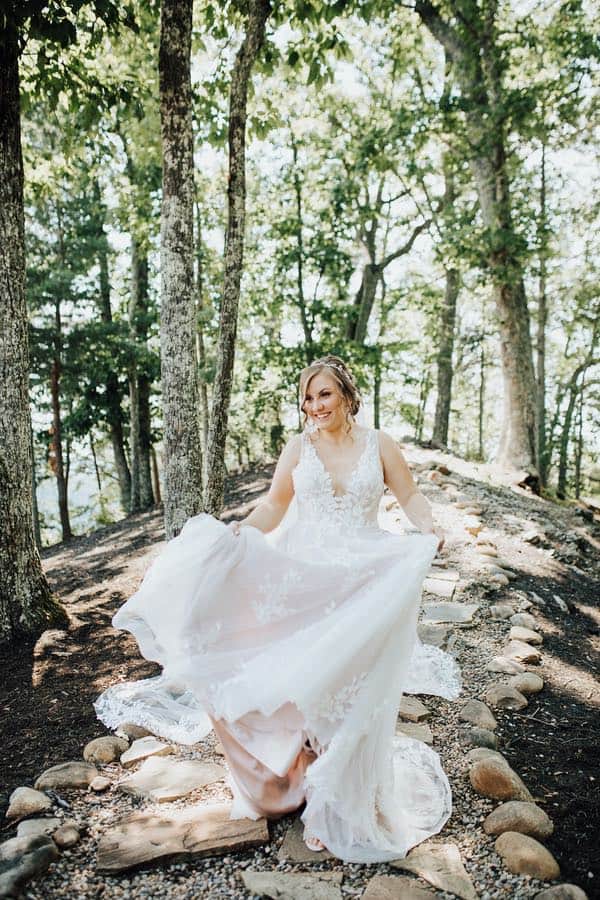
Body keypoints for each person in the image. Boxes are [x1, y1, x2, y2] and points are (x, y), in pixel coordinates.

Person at [95, 355, 461, 862]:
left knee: (352, 689)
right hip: (304, 579)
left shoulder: (381, 446)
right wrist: (241, 533)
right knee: (300, 683)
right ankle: (292, 784)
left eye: (324, 395)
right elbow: (273, 507)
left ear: (347, 396)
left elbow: (412, 496)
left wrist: (430, 530)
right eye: (308, 398)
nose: (315, 406)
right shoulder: (298, 448)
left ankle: (337, 803)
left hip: (363, 576)